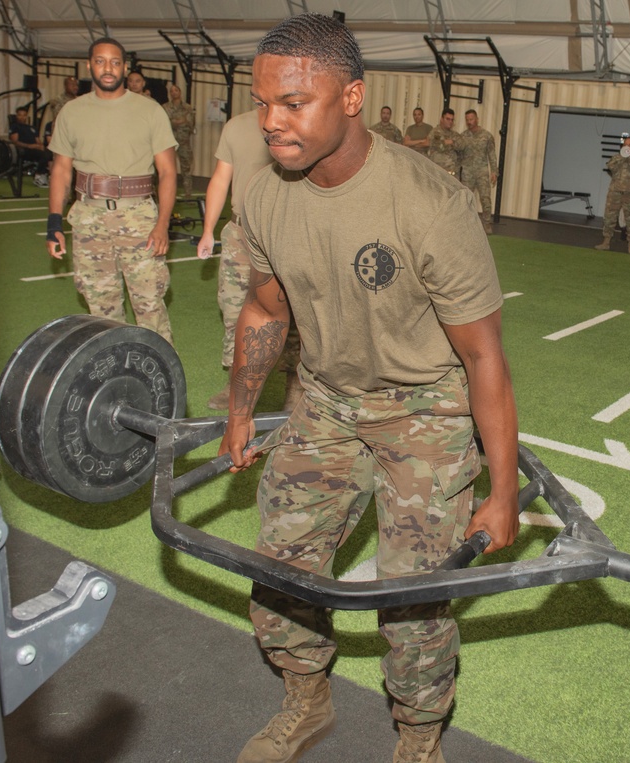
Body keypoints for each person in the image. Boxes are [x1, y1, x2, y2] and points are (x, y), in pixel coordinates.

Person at [223, 14, 520, 763]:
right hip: (325, 397)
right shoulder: (264, 196)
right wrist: (237, 413)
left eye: (294, 102)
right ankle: (305, 695)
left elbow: (484, 356)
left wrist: (504, 490)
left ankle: (419, 738)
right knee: (279, 567)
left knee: (412, 600)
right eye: (263, 104)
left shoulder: (429, 202)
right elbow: (264, 309)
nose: (272, 122)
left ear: (352, 96)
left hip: (423, 408)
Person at [46, 37, 178, 345]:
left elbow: (168, 171)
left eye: (115, 62)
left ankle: (163, 375)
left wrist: (163, 224)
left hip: (139, 218)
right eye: (101, 61)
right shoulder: (71, 112)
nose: (108, 68)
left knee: (149, 303)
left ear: (124, 67)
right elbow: (62, 171)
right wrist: (54, 223)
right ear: (89, 65)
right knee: (101, 307)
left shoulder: (149, 110)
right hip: (89, 217)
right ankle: (114, 376)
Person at [195, 110, 302, 410]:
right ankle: (235, 385)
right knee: (233, 310)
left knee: (292, 313)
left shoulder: (297, 124)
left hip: (283, 234)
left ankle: (294, 390)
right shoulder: (236, 126)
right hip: (239, 233)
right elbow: (220, 179)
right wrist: (208, 231)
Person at [595, 136, 630, 253]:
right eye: (625, 145)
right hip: (615, 192)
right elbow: (611, 167)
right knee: (609, 217)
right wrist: (622, 158)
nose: (627, 147)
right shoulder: (616, 157)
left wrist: (629, 158)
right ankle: (606, 242)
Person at [460, 109, 498, 234]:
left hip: (482, 172)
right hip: (467, 173)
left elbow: (491, 155)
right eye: (467, 120)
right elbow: (458, 155)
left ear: (477, 119)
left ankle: (487, 224)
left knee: (485, 199)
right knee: (466, 200)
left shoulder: (486, 136)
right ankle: (466, 224)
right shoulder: (463, 136)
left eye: (471, 119)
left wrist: (494, 171)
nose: (469, 122)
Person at [164, 82, 197, 197]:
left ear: (180, 92)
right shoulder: (166, 107)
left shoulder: (187, 107)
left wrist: (177, 121)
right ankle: (168, 192)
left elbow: (190, 123)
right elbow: (166, 123)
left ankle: (188, 192)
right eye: (171, 91)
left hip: (184, 142)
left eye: (176, 90)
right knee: (168, 169)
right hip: (169, 143)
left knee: (186, 168)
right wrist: (180, 121)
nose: (174, 93)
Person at [9, 106, 52, 186]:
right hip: (23, 150)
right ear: (16, 116)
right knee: (44, 155)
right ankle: (38, 176)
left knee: (50, 153)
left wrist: (41, 146)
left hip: (34, 149)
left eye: (24, 115)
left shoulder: (32, 128)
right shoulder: (14, 127)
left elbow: (38, 141)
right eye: (20, 115)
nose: (22, 117)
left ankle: (51, 176)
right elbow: (15, 141)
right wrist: (29, 146)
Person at [427, 108, 461, 176]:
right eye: (448, 119)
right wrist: (447, 143)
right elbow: (437, 146)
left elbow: (461, 146)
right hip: (438, 170)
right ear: (442, 119)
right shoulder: (435, 132)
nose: (450, 122)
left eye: (452, 120)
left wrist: (448, 143)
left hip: (452, 171)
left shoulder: (455, 134)